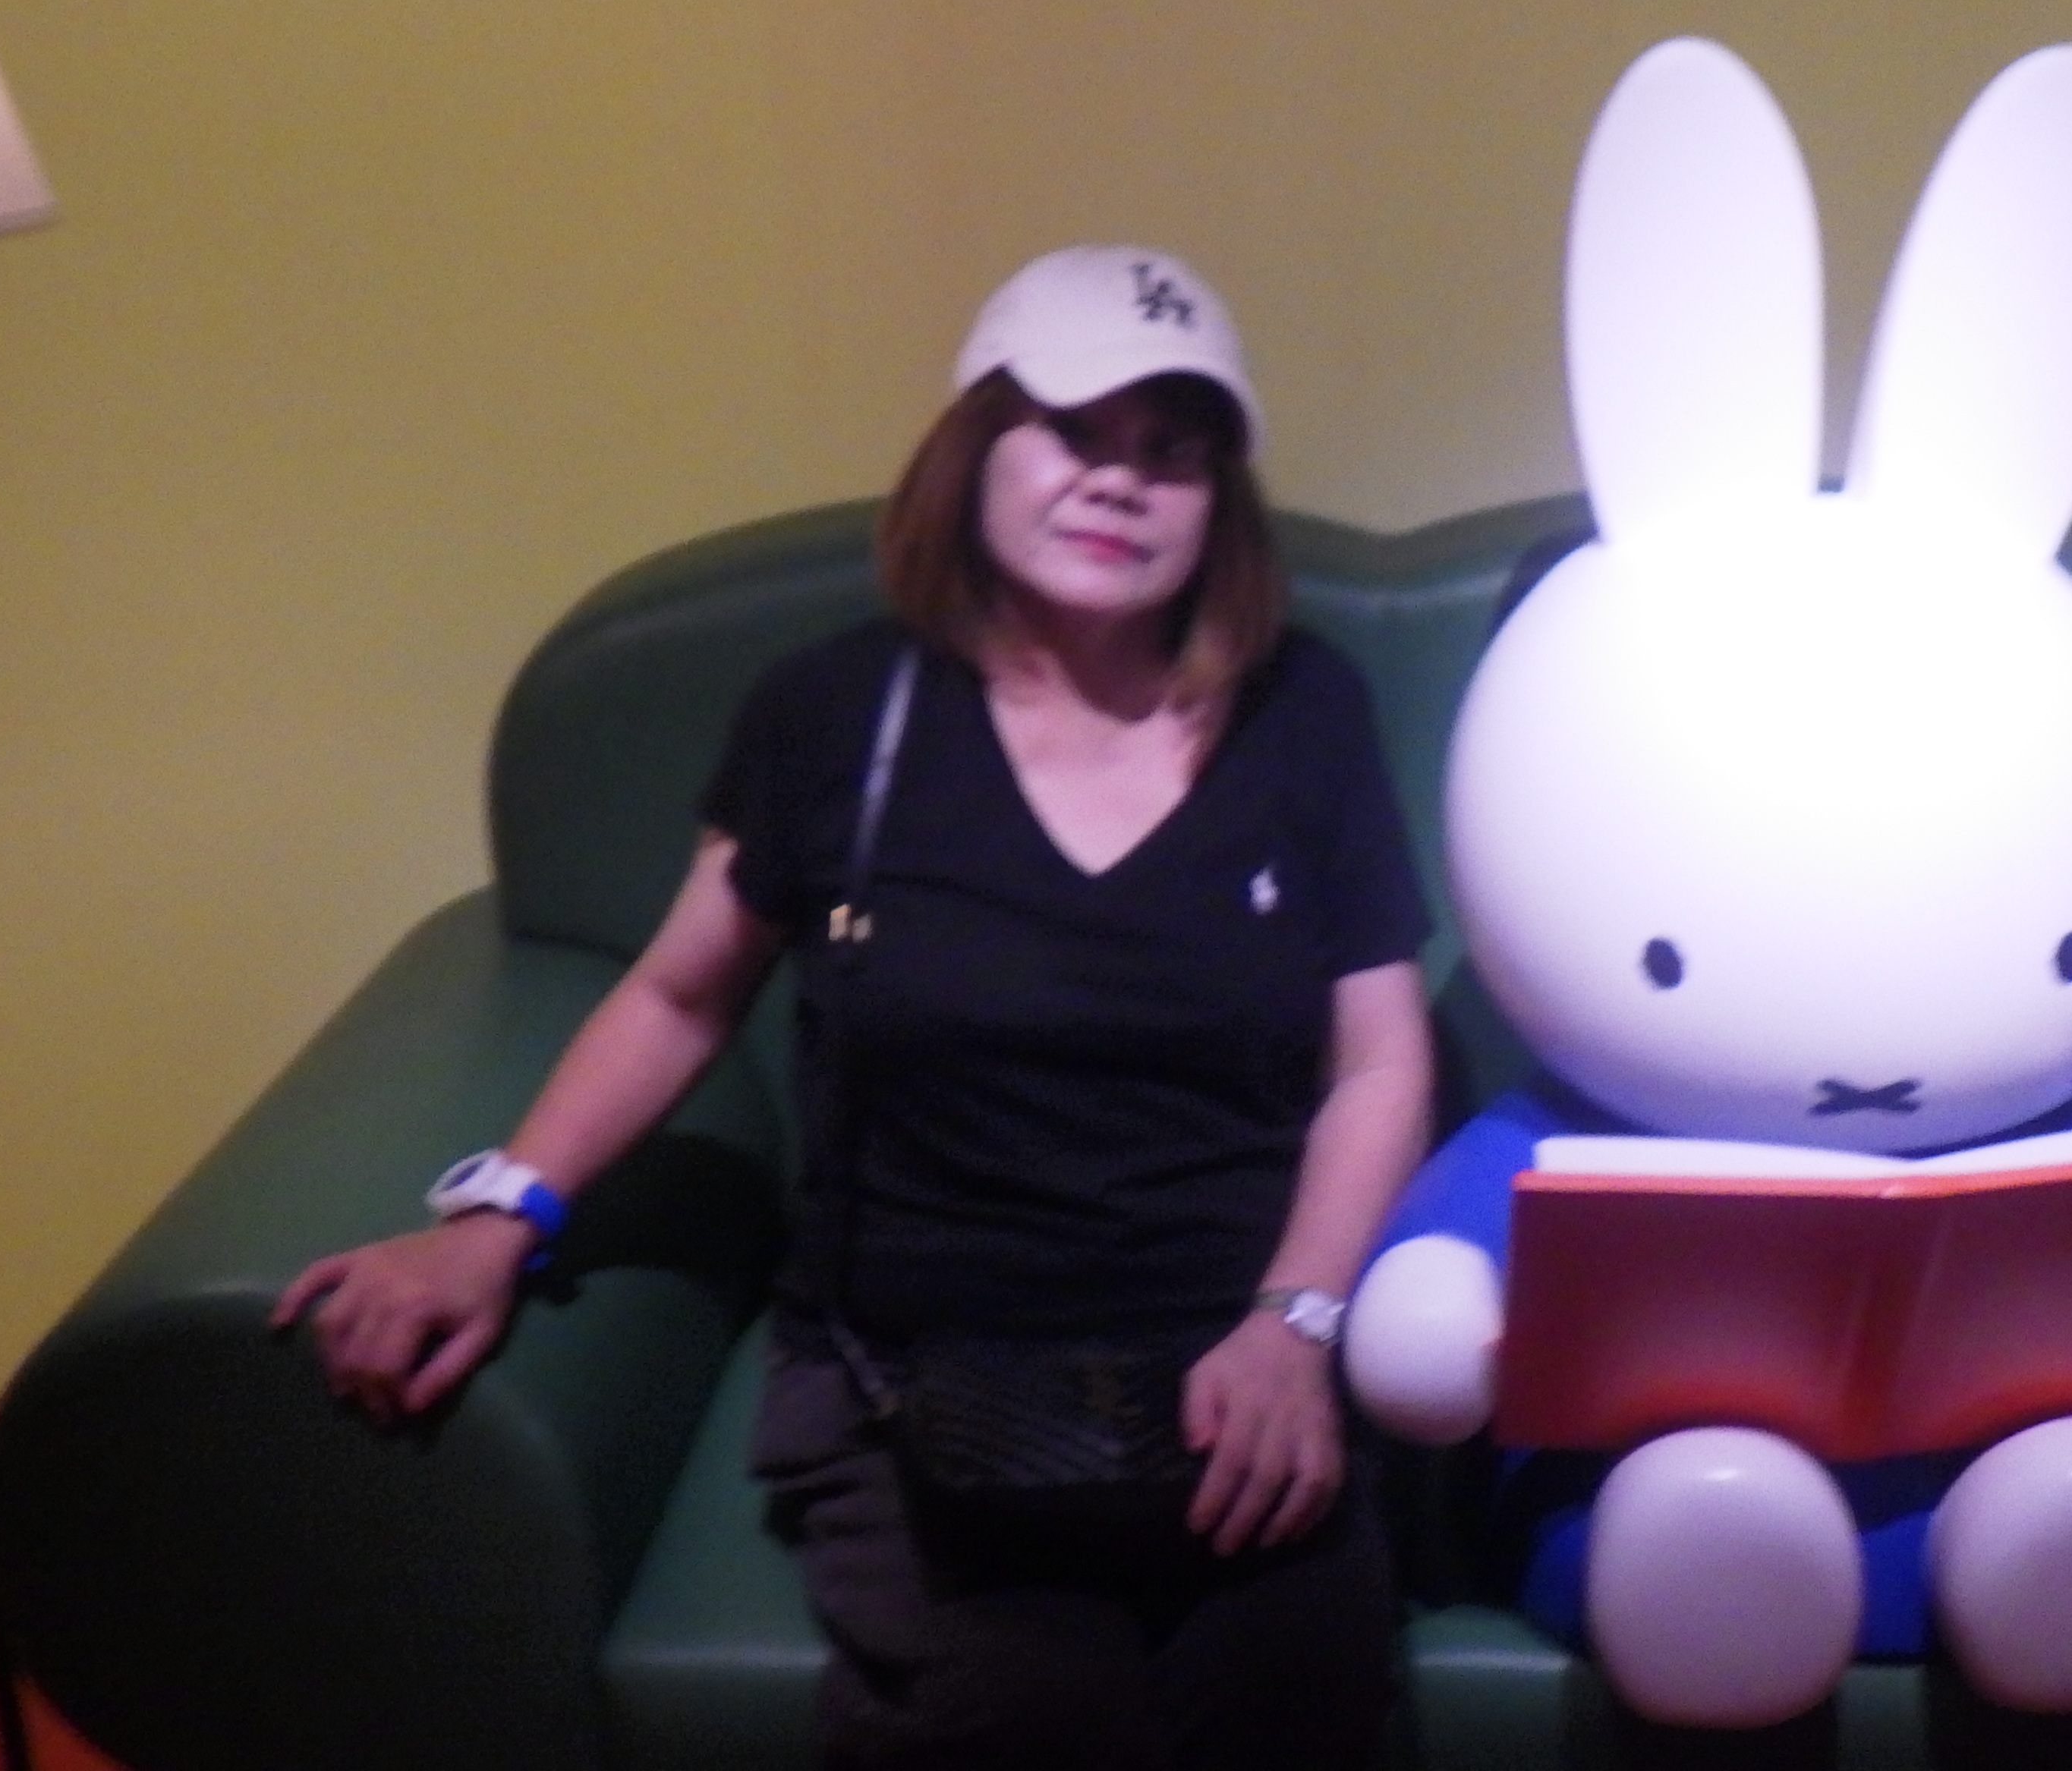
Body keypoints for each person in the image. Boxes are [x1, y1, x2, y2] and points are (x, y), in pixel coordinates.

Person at [272, 244, 1436, 1769]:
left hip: (1232, 1348)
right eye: (1072, 430)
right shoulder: (838, 715)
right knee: (1030, 1723)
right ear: (975, 448)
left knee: (1306, 1713)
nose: (1119, 479)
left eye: (1171, 450)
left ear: (1219, 500)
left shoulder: (1302, 709)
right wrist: (501, 1214)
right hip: (920, 1365)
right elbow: (681, 997)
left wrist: (1295, 1324)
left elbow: (1377, 1062)